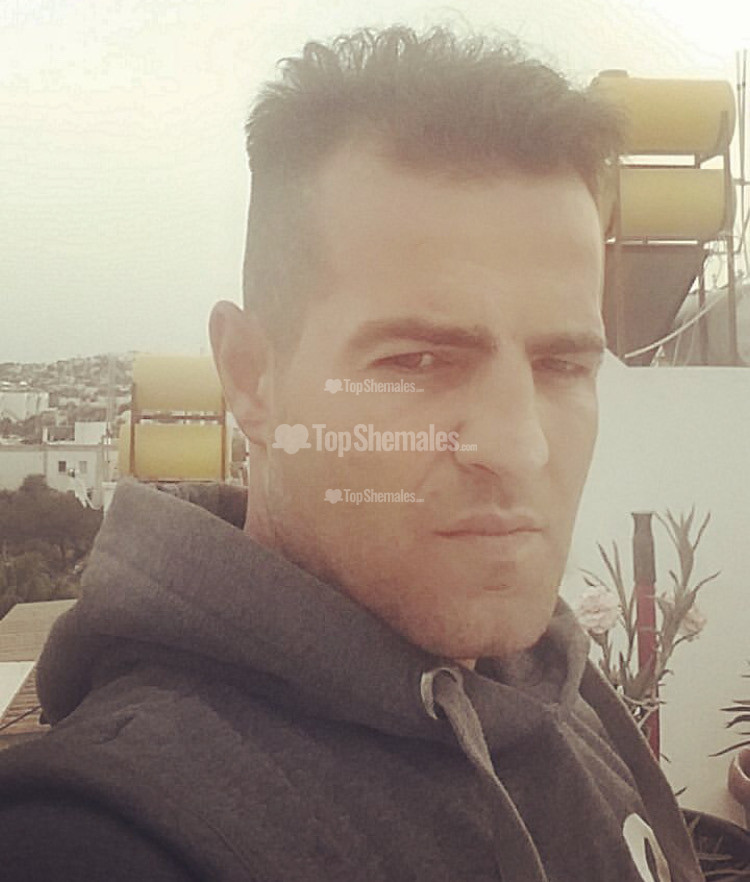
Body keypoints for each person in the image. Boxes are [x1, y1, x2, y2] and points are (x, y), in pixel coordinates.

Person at [0, 26, 702, 882]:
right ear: (251, 377)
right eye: (419, 361)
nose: (518, 447)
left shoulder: (556, 686)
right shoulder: (98, 836)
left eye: (562, 365)